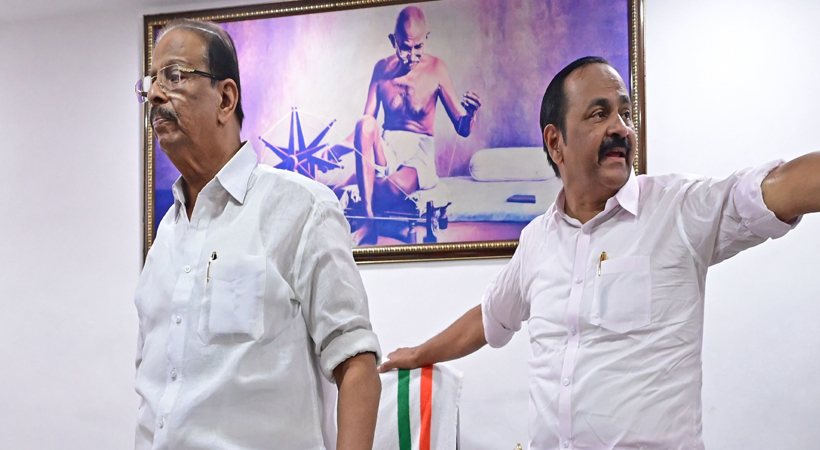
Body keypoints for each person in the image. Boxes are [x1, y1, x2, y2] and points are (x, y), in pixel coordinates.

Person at [378, 56, 820, 449]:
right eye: (599, 113)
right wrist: (418, 354)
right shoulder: (537, 241)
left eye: (625, 113)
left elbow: (772, 191)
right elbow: (490, 316)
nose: (621, 128)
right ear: (556, 143)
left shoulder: (678, 210)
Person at [133, 19, 381, 450]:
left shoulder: (300, 208)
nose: (155, 93)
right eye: (151, 82)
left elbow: (356, 364)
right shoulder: (166, 238)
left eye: (174, 75)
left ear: (225, 98)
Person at [340, 5, 482, 245]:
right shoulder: (381, 69)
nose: (412, 55)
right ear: (393, 41)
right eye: (406, 47)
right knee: (364, 122)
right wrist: (334, 149)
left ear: (426, 38)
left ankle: (361, 182)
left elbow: (462, 128)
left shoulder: (437, 68)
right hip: (387, 147)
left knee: (393, 187)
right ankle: (369, 221)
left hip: (419, 152)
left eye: (418, 47)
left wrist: (470, 114)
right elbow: (365, 129)